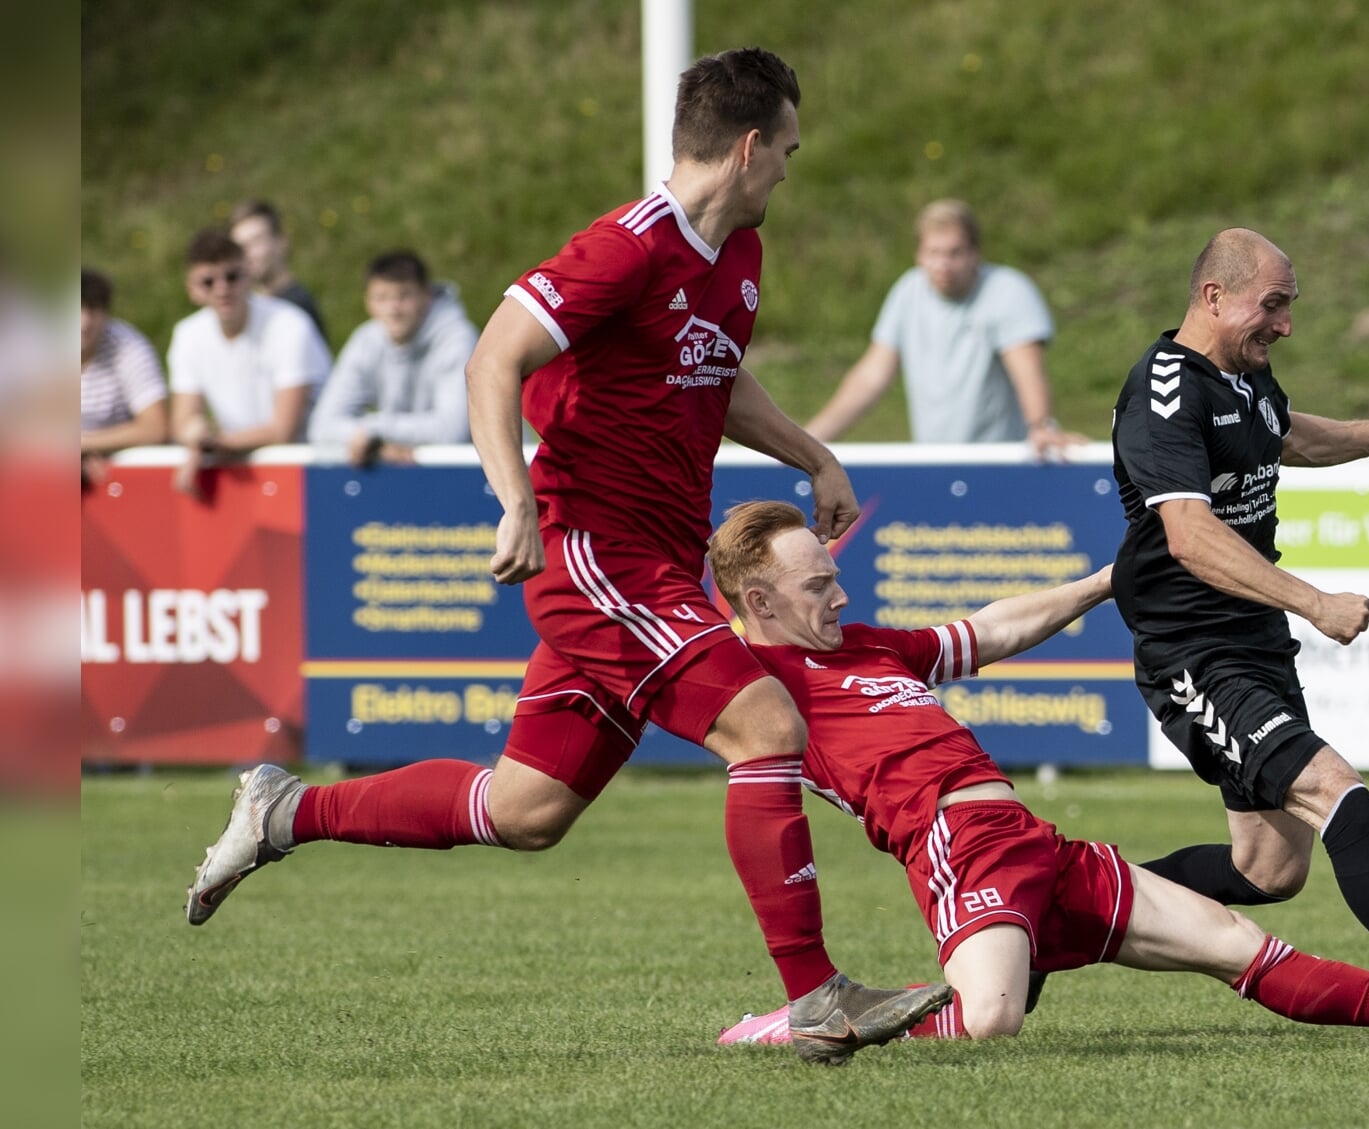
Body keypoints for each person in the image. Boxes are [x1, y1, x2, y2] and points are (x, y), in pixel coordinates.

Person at [183, 47, 948, 1067]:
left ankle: (285, 810)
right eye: (788, 154)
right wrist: (515, 504)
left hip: (660, 563)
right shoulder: (625, 248)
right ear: (750, 147)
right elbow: (494, 355)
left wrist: (813, 452)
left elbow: (718, 375)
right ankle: (817, 999)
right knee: (766, 724)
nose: (788, 175)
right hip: (594, 553)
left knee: (527, 807)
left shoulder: (738, 259)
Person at [702, 500, 1369, 1045]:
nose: (840, 594)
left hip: (1035, 842)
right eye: (819, 584)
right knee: (990, 1019)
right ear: (760, 602)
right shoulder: (747, 684)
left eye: (835, 576)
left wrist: (1104, 582)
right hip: (957, 844)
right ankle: (814, 1020)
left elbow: (990, 629)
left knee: (1234, 936)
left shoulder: (870, 645)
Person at [1098, 228, 1369, 1027]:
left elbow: (1288, 435)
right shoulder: (1163, 390)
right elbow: (1188, 532)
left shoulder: (1244, 376)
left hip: (1250, 643)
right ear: (1214, 296)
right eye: (1274, 304)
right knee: (1337, 789)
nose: (1286, 324)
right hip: (1192, 650)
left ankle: (1054, 907)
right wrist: (1313, 600)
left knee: (1268, 868)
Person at [805, 199, 1086, 461]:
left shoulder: (1009, 290)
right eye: (934, 253)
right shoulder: (908, 290)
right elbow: (870, 378)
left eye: (955, 253)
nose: (943, 265)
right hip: (936, 461)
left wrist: (1040, 425)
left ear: (975, 253)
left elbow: (1027, 370)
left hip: (1002, 462)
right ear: (919, 255)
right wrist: (808, 443)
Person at [167, 229, 331, 495]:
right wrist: (195, 435)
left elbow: (282, 431)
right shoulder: (187, 335)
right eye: (208, 282)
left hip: (313, 474)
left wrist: (212, 443)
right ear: (192, 289)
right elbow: (183, 421)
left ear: (249, 274)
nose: (222, 289)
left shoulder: (291, 325)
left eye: (231, 277)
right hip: (252, 476)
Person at [309, 250, 476, 466]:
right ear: (368, 303)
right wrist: (378, 443)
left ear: (426, 296)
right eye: (382, 298)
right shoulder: (365, 340)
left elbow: (453, 431)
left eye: (403, 296)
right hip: (417, 476)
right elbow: (321, 427)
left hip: (474, 477)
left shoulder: (458, 339)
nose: (393, 309)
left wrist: (375, 431)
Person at [79, 267, 168, 482]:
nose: (84, 322)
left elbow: (156, 428)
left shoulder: (129, 347)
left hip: (118, 480)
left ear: (107, 313)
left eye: (93, 309)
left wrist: (82, 445)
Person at [230, 199, 326, 339]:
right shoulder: (249, 308)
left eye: (256, 241)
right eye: (240, 246)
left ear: (282, 241)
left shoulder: (296, 309)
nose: (247, 254)